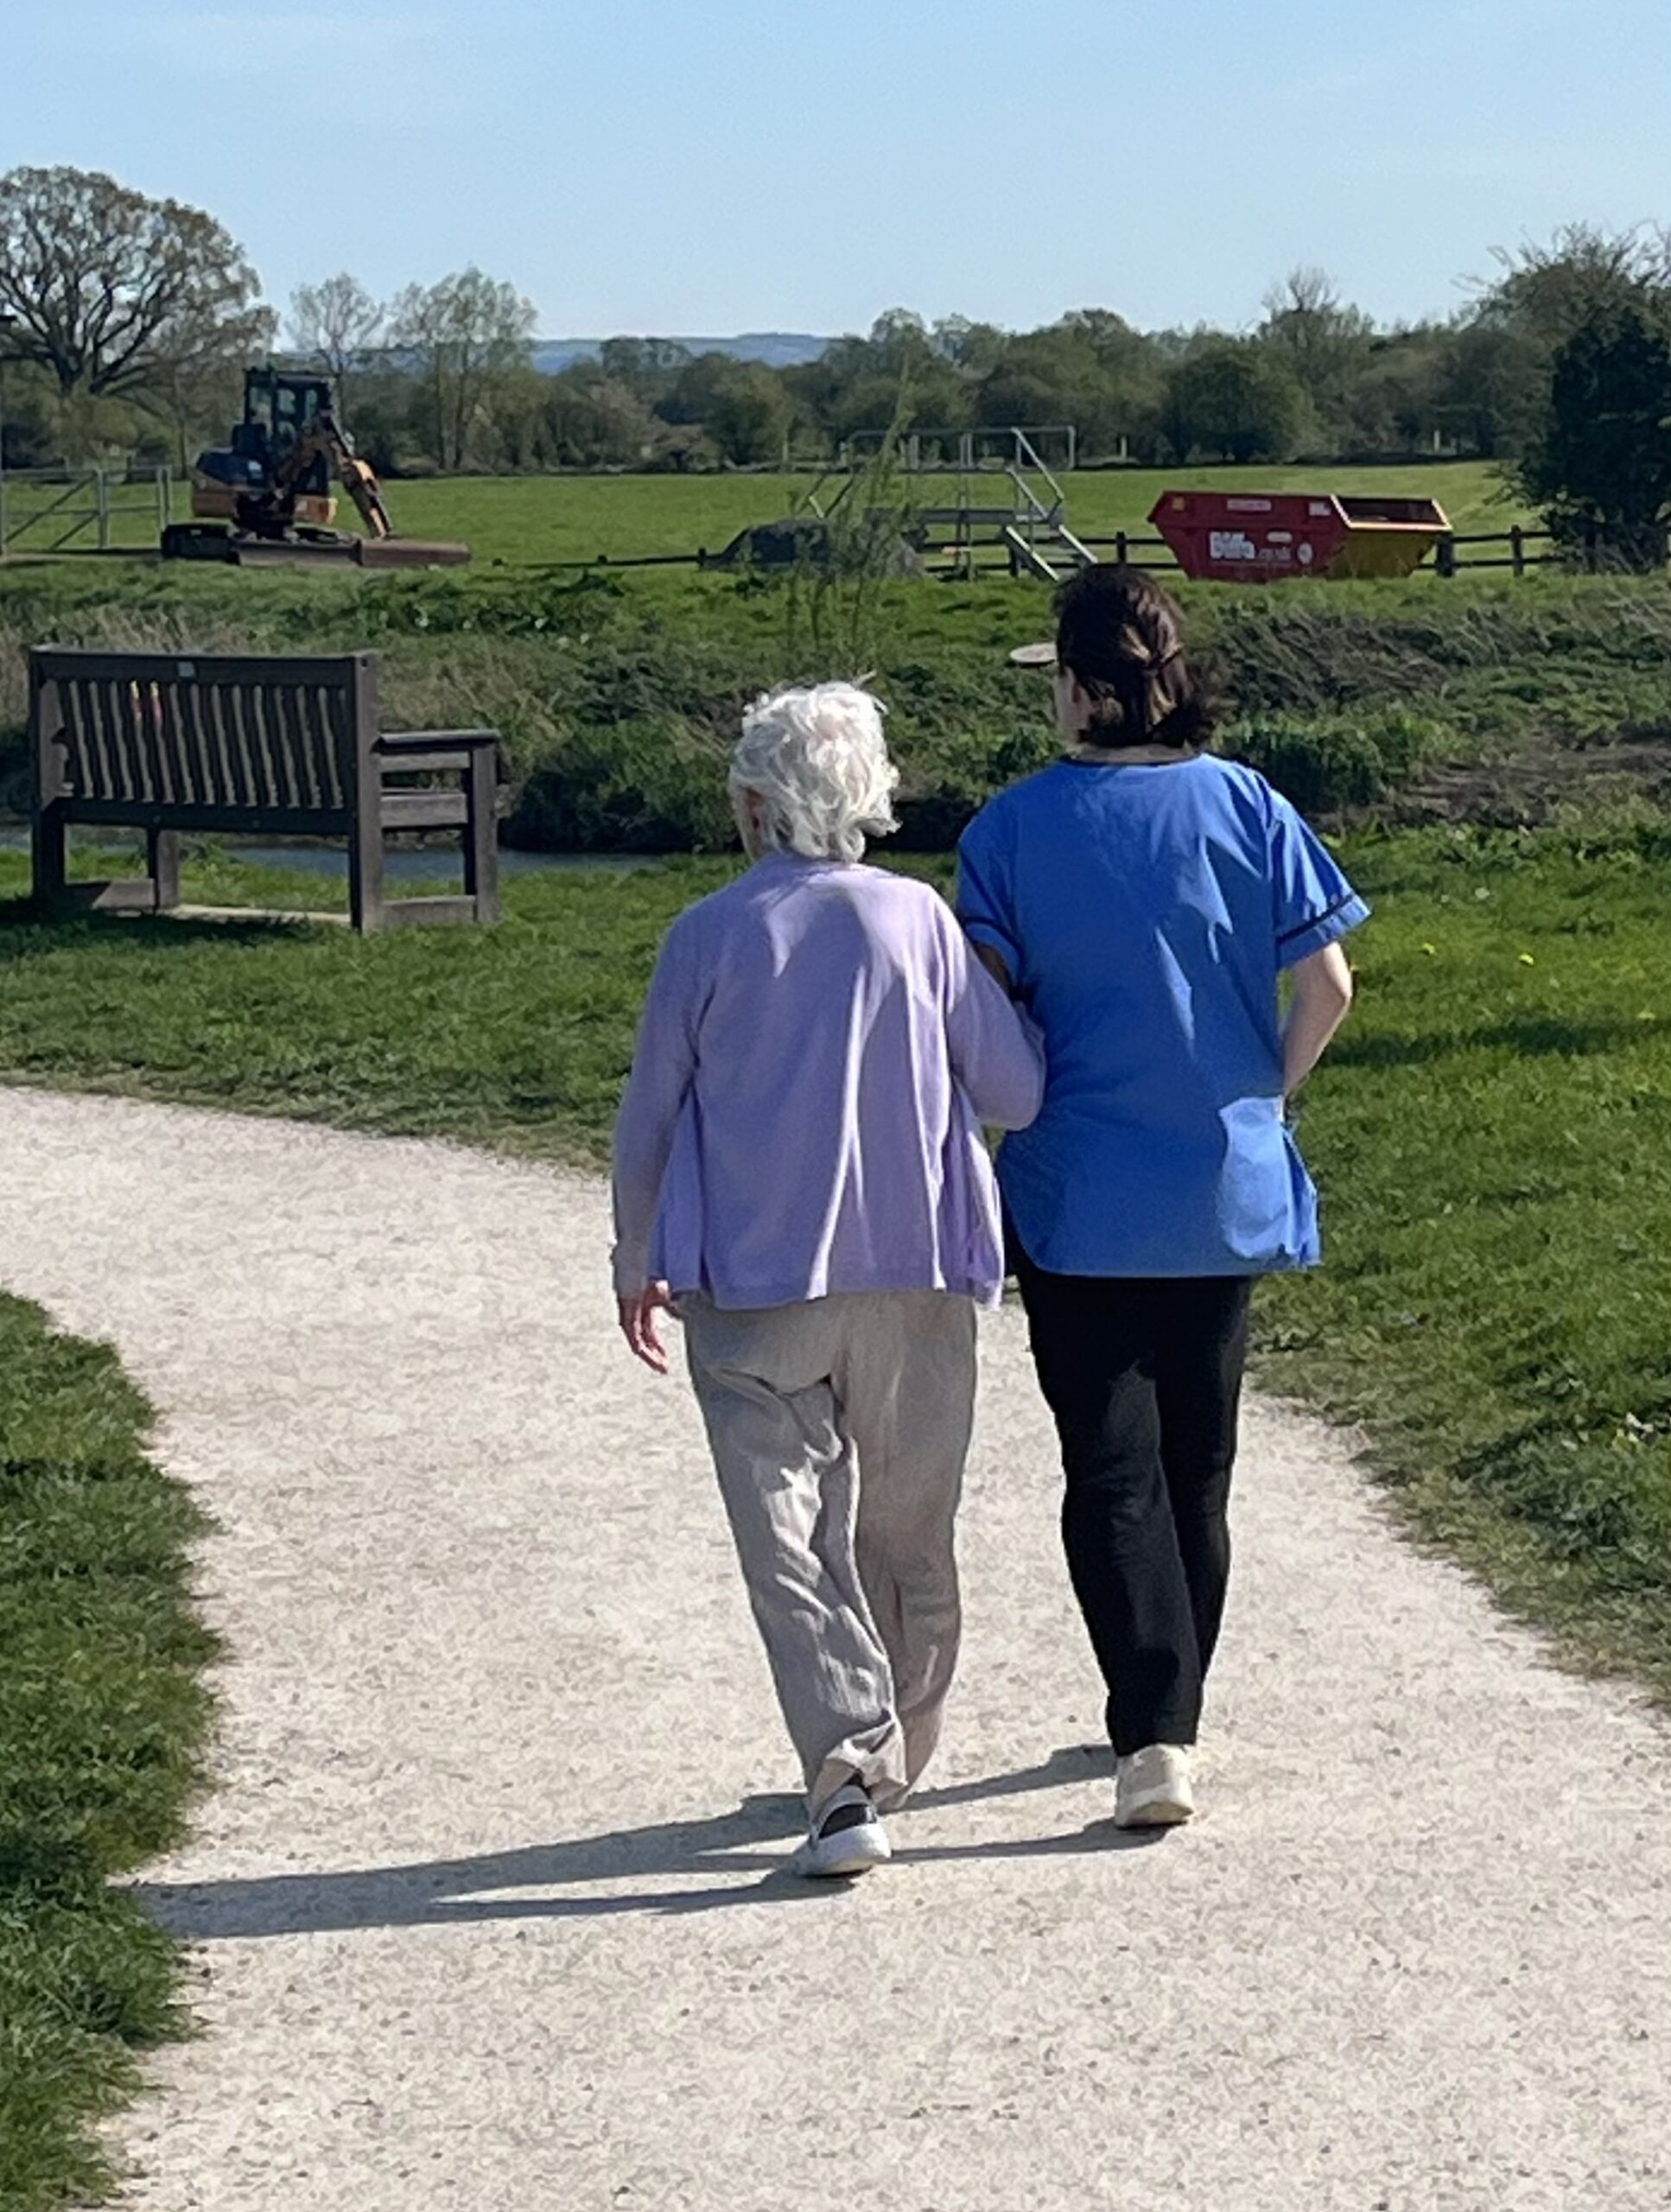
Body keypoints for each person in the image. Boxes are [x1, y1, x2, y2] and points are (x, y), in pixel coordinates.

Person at [956, 567, 1366, 1830]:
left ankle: (1149, 1729)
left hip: (1076, 1189)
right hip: (1218, 1179)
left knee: (1109, 1467)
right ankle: (1174, 1712)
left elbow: (981, 1023)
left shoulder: (1009, 833)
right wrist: (1263, 1093)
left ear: (1077, 690)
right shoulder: (1249, 804)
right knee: (1201, 1466)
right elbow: (1330, 987)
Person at [612, 681, 1044, 1878]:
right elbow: (1014, 1092)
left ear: (752, 805)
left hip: (750, 1290)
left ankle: (844, 1768)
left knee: (786, 1537)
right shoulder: (920, 922)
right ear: (870, 798)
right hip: (915, 1275)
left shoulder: (704, 935)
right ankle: (897, 1743)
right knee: (906, 1525)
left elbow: (649, 1114)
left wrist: (632, 1258)